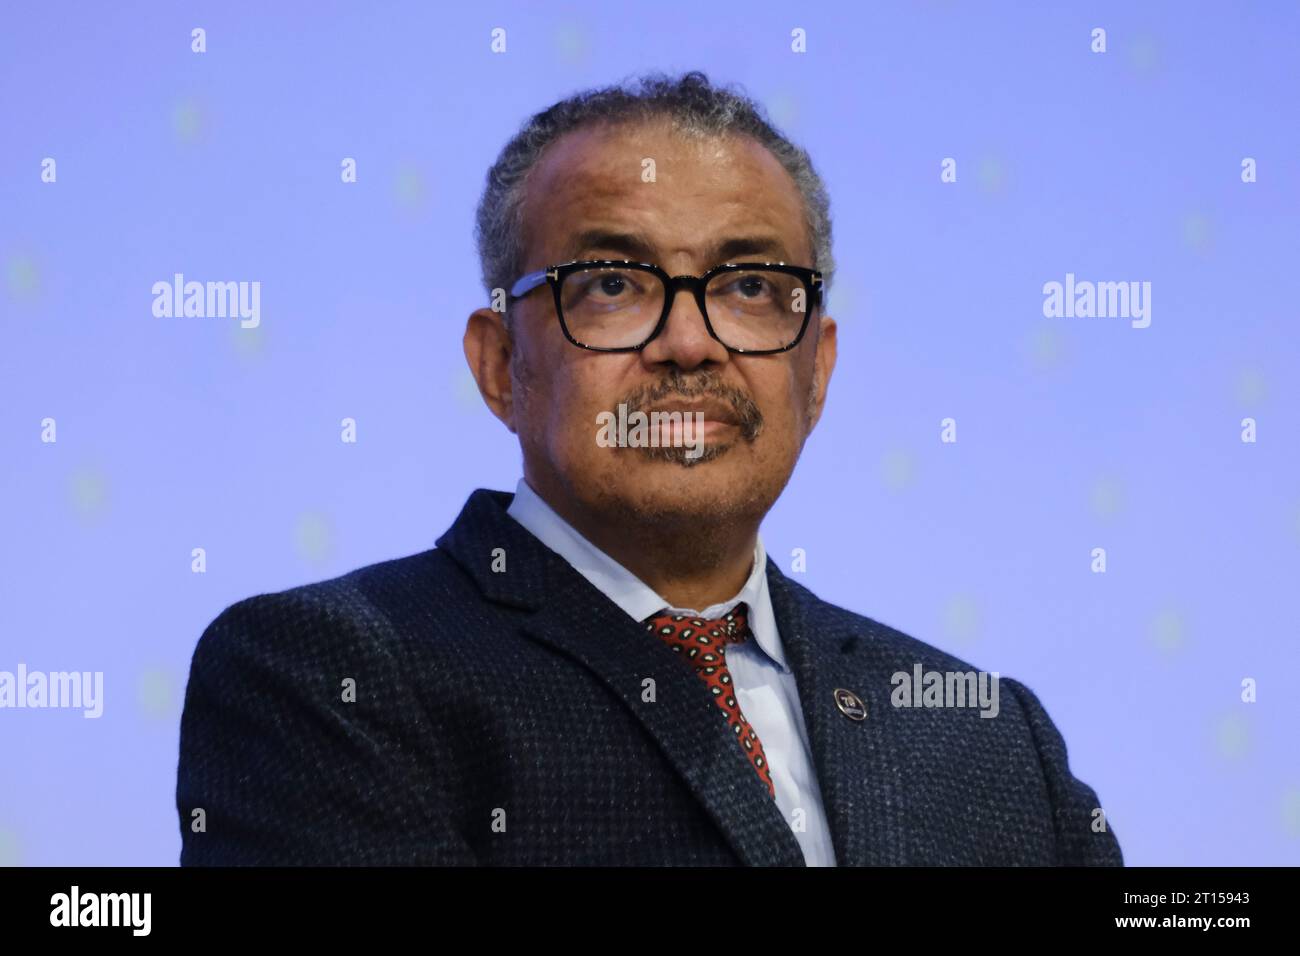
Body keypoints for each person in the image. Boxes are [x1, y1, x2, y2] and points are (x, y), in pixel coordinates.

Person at [176, 70, 1122, 866]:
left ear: (817, 368)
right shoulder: (328, 676)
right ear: (501, 365)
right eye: (614, 285)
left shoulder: (990, 740)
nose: (688, 342)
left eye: (750, 287)